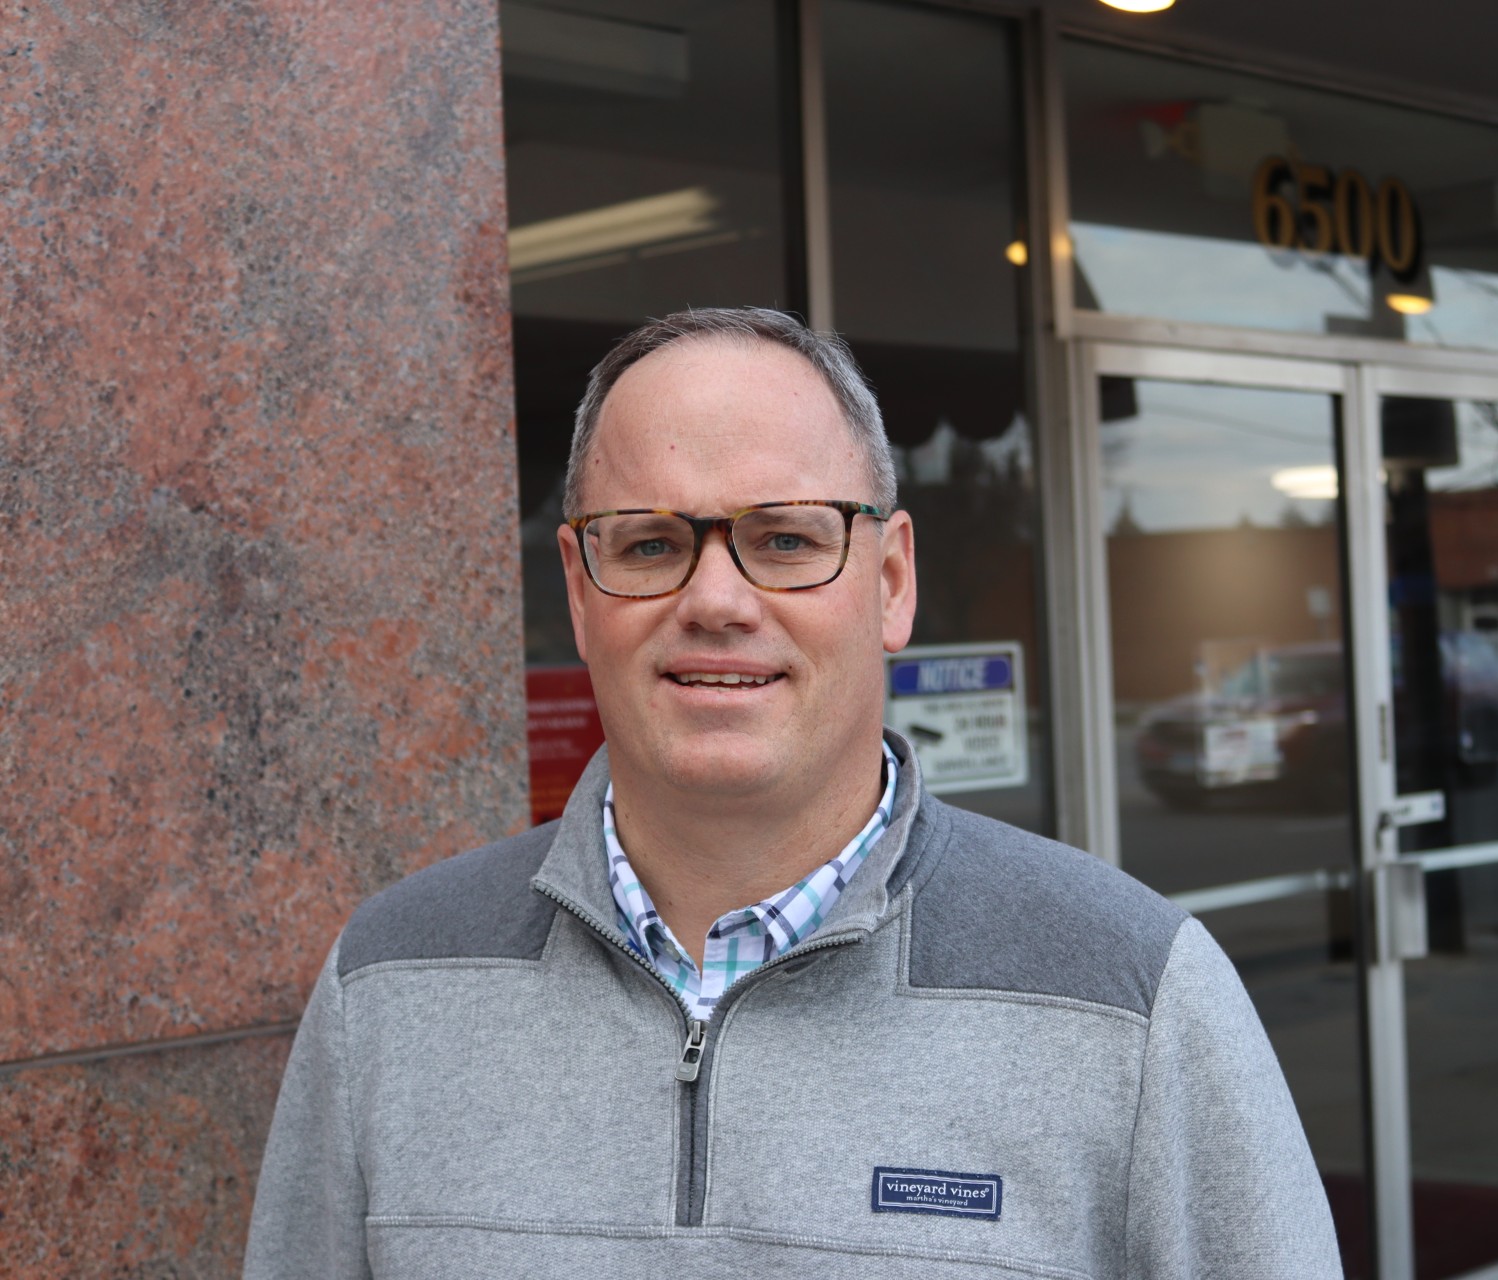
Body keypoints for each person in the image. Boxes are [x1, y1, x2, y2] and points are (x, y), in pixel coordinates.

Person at [244, 307, 1341, 1279]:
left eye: (784, 539)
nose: (717, 600)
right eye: (651, 543)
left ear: (891, 582)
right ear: (579, 592)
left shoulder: (1137, 1000)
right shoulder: (386, 987)